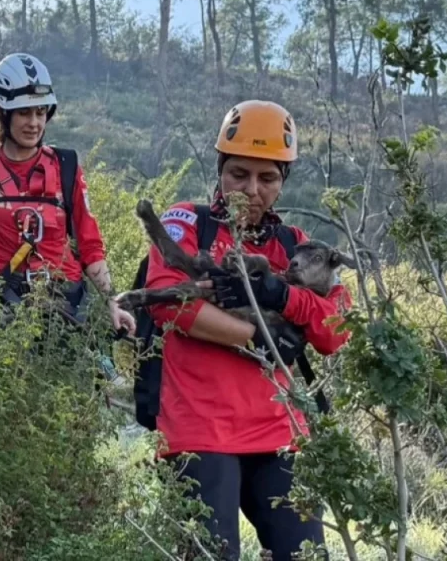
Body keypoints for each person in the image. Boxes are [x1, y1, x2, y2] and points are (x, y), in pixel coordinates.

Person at [142, 100, 352, 560]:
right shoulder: (187, 223)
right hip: (199, 430)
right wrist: (257, 336)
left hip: (279, 434)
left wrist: (284, 297)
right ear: (220, 170)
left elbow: (334, 333)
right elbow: (169, 306)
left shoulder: (295, 246)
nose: (252, 190)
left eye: (267, 178)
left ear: (282, 182)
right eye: (239, 174)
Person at [0, 52, 135, 337]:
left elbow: (90, 245)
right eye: (24, 112)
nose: (34, 123)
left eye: (40, 112)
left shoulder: (66, 167)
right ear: (2, 112)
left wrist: (112, 301)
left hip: (66, 307)